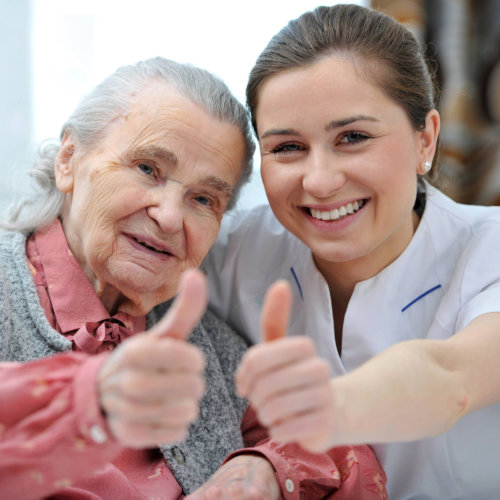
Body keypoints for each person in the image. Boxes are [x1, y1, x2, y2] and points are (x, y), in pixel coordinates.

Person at [0, 56, 387, 499]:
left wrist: (260, 470)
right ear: (69, 159)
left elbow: (343, 450)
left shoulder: (206, 346)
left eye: (203, 199)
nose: (168, 217)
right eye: (148, 168)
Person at [203, 4, 500, 500]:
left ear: (425, 138)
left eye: (353, 137)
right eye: (287, 147)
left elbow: (452, 378)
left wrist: (317, 417)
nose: (319, 181)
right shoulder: (232, 251)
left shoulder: (489, 248)